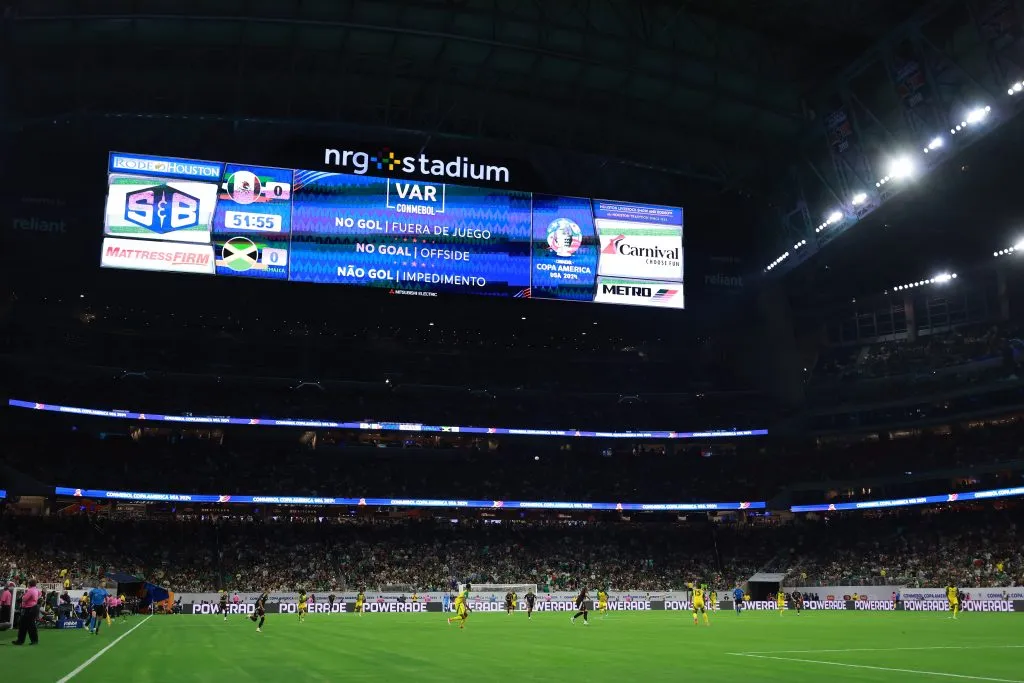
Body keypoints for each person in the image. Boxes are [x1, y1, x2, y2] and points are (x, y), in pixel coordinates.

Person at [11, 579, 41, 646]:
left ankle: (21, 640)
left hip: (29, 609)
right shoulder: (36, 590)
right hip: (34, 607)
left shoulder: (30, 590)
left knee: (25, 625)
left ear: (29, 584)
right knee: (29, 625)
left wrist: (23, 595)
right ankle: (33, 640)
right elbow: (39, 595)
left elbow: (24, 599)